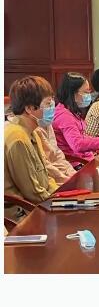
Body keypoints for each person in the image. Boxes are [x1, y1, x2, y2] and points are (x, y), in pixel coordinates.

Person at [4, 76, 59, 219]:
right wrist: (59, 201)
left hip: (39, 202)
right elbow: (32, 192)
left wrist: (59, 193)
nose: (52, 108)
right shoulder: (18, 138)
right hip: (21, 213)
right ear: (29, 108)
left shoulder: (32, 131)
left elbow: (44, 176)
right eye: (48, 104)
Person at [53, 72, 99, 165]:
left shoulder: (72, 110)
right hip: (77, 164)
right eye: (85, 92)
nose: (88, 95)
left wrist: (98, 147)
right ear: (73, 93)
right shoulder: (64, 116)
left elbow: (82, 137)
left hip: (86, 158)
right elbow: (78, 144)